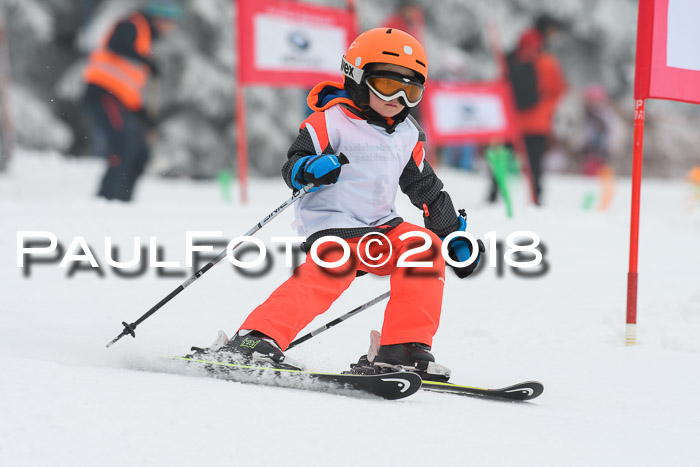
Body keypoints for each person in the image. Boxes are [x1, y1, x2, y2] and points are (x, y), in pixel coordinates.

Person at [191, 28, 484, 381]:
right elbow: (292, 165)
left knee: (424, 248)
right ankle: (256, 340)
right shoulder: (330, 122)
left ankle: (403, 348)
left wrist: (451, 235)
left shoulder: (408, 133)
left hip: (381, 225)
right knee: (329, 273)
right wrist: (309, 168)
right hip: (333, 223)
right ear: (358, 78)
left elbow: (426, 188)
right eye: (388, 85)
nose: (398, 99)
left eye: (411, 90)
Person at [82, 1, 182, 201]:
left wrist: (147, 119)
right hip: (103, 93)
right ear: (160, 18)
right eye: (171, 22)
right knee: (122, 146)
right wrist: (147, 61)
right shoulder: (132, 24)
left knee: (140, 152)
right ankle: (107, 202)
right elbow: (117, 44)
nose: (172, 28)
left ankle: (124, 202)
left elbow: (129, 88)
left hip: (121, 101)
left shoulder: (145, 38)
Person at [490, 16, 566, 205]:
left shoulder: (509, 60)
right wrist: (546, 112)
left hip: (512, 121)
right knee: (535, 166)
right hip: (537, 123)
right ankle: (537, 199)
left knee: (501, 161)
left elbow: (500, 88)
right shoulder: (547, 62)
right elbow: (558, 89)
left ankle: (492, 196)